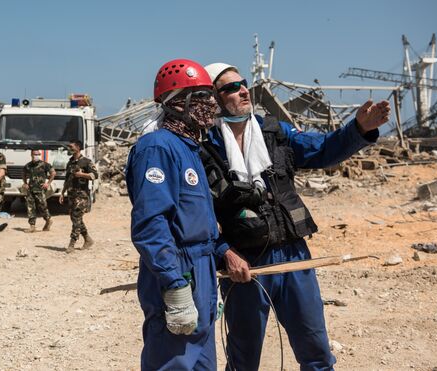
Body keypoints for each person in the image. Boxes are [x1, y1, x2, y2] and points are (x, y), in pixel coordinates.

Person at [202, 63, 391, 371]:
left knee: (316, 352)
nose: (244, 90)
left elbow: (323, 150)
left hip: (293, 256)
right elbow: (197, 214)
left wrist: (358, 130)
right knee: (243, 360)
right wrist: (224, 253)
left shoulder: (275, 133)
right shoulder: (205, 149)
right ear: (215, 98)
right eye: (232, 87)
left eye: (244, 83)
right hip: (245, 265)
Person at [125, 59, 232, 370]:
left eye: (210, 96)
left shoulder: (190, 149)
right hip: (179, 273)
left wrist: (223, 252)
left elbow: (198, 221)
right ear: (175, 104)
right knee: (173, 362)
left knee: (201, 363)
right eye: (200, 97)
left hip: (201, 270)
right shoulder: (157, 148)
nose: (211, 104)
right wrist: (174, 283)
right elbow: (151, 224)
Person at [59, 140, 97, 253]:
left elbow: (95, 175)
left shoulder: (86, 162)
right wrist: (62, 193)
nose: (69, 148)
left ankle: (72, 243)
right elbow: (67, 179)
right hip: (71, 194)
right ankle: (87, 239)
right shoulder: (70, 162)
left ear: (78, 147)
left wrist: (82, 175)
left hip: (82, 195)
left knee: (76, 217)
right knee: (75, 218)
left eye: (71, 146)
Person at [22, 149, 55, 233]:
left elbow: (53, 173)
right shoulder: (28, 166)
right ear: (31, 155)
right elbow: (23, 174)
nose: (36, 156)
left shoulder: (44, 165)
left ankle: (48, 220)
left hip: (40, 190)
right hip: (30, 189)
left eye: (38, 154)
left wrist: (48, 183)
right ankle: (32, 226)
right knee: (30, 208)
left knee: (42, 207)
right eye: (34, 154)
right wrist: (25, 183)